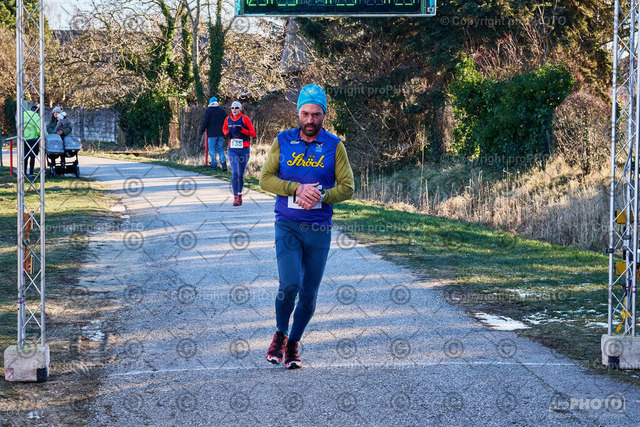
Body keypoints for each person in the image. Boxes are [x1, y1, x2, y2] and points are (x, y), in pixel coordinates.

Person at [259, 84, 354, 369]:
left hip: (318, 228)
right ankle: (280, 333)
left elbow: (348, 187)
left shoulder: (335, 146)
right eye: (305, 114)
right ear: (297, 112)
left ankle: (293, 344)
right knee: (290, 285)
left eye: (316, 114)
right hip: (287, 224)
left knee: (309, 293)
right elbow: (265, 179)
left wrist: (321, 195)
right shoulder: (283, 141)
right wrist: (296, 189)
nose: (310, 120)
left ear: (324, 114)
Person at [223, 101, 256, 206]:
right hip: (232, 149)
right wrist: (226, 134)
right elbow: (224, 128)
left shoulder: (245, 119)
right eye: (232, 108)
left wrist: (242, 130)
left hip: (244, 149)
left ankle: (240, 193)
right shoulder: (227, 119)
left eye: (236, 108)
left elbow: (253, 133)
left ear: (240, 109)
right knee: (235, 172)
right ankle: (235, 197)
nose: (234, 110)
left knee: (241, 174)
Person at [199, 96, 228, 171]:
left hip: (212, 134)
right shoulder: (222, 111)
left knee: (212, 150)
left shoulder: (208, 111)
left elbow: (205, 122)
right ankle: (224, 164)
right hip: (221, 134)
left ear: (210, 103)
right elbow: (227, 120)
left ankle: (214, 165)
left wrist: (201, 131)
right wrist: (226, 132)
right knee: (220, 149)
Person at [23, 105, 41, 177]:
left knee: (25, 156)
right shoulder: (36, 117)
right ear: (37, 111)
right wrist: (39, 135)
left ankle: (24, 172)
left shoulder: (23, 115)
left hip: (24, 139)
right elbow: (39, 129)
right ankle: (31, 173)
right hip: (33, 139)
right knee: (32, 156)